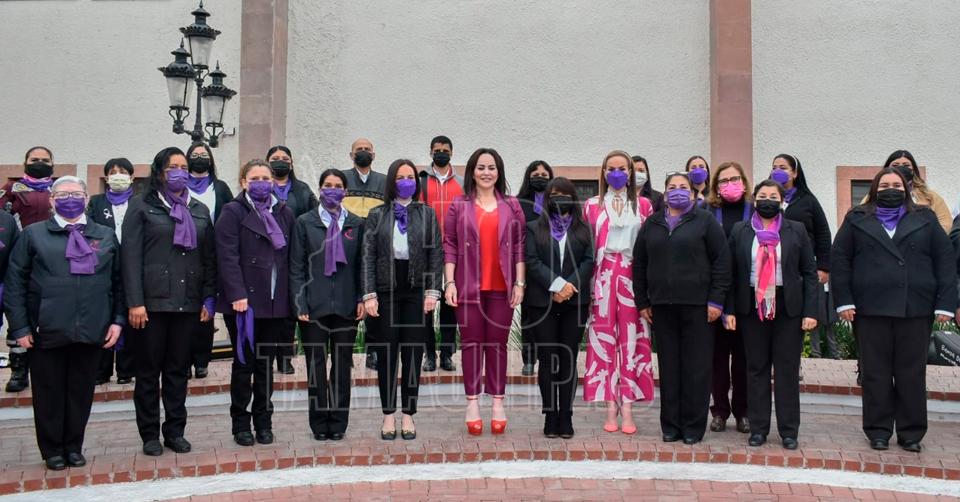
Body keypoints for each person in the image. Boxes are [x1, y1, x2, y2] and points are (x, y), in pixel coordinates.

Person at [831, 167, 956, 453]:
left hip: (915, 307)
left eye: (897, 185)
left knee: (911, 373)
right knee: (875, 372)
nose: (891, 189)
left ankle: (911, 433)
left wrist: (946, 304)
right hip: (869, 308)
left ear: (907, 189)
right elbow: (840, 260)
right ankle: (878, 430)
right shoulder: (856, 218)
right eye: (885, 184)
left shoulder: (925, 218)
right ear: (875, 189)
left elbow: (945, 261)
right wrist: (844, 301)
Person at [5, 176, 123, 470]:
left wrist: (117, 321)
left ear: (86, 198)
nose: (70, 199)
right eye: (63, 195)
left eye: (76, 194)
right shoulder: (33, 235)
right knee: (49, 393)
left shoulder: (105, 235)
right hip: (46, 330)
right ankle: (52, 450)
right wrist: (19, 327)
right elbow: (15, 283)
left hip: (91, 328)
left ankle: (73, 446)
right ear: (52, 200)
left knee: (80, 392)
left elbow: (118, 282)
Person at [122, 147, 217, 456]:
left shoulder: (199, 209)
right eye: (173, 166)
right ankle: (149, 434)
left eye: (184, 167)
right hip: (150, 306)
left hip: (187, 304)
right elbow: (130, 258)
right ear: (160, 171)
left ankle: (175, 431)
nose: (180, 171)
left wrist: (208, 297)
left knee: (178, 371)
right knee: (148, 373)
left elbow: (209, 258)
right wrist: (135, 302)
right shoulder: (141, 206)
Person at [633, 171, 731, 445]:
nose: (677, 191)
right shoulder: (652, 223)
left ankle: (693, 426)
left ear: (692, 192)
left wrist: (716, 300)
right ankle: (671, 425)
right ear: (665, 194)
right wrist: (643, 301)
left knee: (696, 369)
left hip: (698, 307)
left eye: (683, 187)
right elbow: (639, 264)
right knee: (670, 368)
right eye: (672, 187)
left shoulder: (705, 221)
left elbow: (721, 262)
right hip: (662, 307)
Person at [724, 180, 818, 450]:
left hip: (788, 307)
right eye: (763, 195)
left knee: (787, 370)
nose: (768, 200)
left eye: (773, 196)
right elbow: (731, 272)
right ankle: (758, 428)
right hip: (752, 307)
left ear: (782, 200)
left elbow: (809, 272)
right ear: (754, 200)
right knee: (756, 369)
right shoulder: (741, 230)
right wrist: (729, 309)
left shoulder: (796, 229)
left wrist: (811, 311)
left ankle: (789, 430)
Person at [443, 147, 525, 436]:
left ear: (498, 172)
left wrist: (520, 283)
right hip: (468, 286)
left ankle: (498, 403)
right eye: (481, 167)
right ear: (472, 172)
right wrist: (450, 283)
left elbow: (519, 246)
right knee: (471, 344)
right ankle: (473, 404)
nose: (486, 172)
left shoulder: (512, 205)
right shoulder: (459, 204)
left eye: (491, 167)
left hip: (502, 287)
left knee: (497, 345)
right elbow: (450, 244)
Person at [215, 159, 294, 447]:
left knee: (265, 365)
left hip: (274, 301)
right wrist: (237, 293)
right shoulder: (232, 212)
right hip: (244, 303)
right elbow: (227, 256)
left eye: (265, 178)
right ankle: (240, 424)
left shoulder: (283, 212)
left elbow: (290, 256)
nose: (261, 183)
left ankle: (264, 422)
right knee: (244, 365)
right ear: (243, 182)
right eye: (255, 178)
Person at [363, 159, 443, 440]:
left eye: (410, 177)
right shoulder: (377, 214)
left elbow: (435, 253)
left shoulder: (427, 214)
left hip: (416, 290)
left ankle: (408, 414)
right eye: (400, 177)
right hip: (386, 289)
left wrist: (433, 290)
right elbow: (368, 255)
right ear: (391, 181)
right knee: (387, 354)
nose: (406, 181)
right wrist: (369, 294)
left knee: (412, 353)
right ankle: (388, 415)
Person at [290, 168, 365, 441]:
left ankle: (339, 422)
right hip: (314, 306)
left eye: (337, 185)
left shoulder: (356, 223)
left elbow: (361, 265)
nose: (332, 189)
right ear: (320, 189)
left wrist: (361, 297)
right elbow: (296, 266)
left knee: (342, 365)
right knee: (316, 366)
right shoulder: (304, 222)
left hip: (346, 305)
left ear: (345, 191)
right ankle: (319, 422)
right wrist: (300, 302)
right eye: (327, 185)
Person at [583, 151, 654, 434]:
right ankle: (610, 406)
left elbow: (650, 248)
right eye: (610, 168)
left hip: (633, 276)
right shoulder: (591, 205)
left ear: (630, 172)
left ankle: (628, 408)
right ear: (603, 173)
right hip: (601, 276)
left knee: (632, 340)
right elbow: (585, 247)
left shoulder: (645, 205)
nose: (616, 173)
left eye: (622, 168)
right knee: (604, 340)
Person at [524, 177, 594, 439]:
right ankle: (550, 415)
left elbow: (589, 261)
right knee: (547, 359)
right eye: (555, 194)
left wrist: (568, 287)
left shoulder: (584, 228)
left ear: (573, 198)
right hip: (542, 301)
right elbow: (532, 261)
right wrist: (556, 285)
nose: (560, 199)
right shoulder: (533, 228)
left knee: (567, 358)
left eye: (565, 195)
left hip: (574, 302)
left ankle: (566, 415)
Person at [769, 155, 836, 362]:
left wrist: (823, 267)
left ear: (795, 173)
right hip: (770, 267)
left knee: (794, 317)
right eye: (774, 167)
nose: (778, 171)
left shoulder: (808, 200)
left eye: (783, 167)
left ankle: (792, 364)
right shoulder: (767, 198)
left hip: (799, 267)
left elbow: (823, 233)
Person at [2, 146, 55, 393]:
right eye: (35, 159)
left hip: (52, 259)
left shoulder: (58, 189)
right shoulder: (11, 189)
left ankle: (47, 367)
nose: (40, 163)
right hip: (20, 258)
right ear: (25, 162)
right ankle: (19, 369)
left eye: (45, 160)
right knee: (18, 312)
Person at [705, 162, 753, 434]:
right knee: (718, 359)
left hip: (748, 294)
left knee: (744, 358)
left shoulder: (755, 211)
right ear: (716, 186)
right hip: (716, 293)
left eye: (734, 178)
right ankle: (720, 411)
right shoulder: (707, 212)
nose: (729, 184)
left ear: (744, 182)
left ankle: (743, 412)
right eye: (723, 180)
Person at [266, 145, 319, 375]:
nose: (280, 161)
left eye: (285, 158)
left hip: (296, 255)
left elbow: (314, 216)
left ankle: (285, 357)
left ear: (292, 163)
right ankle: (267, 356)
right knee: (270, 309)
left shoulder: (302, 189)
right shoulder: (262, 187)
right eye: (275, 158)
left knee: (290, 310)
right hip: (267, 256)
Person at [186, 142, 234, 379]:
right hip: (184, 251)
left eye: (204, 154)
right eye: (195, 155)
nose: (199, 158)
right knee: (186, 307)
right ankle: (183, 359)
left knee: (207, 304)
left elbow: (230, 217)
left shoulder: (220, 187)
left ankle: (201, 359)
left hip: (212, 252)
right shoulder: (179, 187)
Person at [88, 158, 137, 385]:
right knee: (105, 315)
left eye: (123, 171)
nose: (118, 175)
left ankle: (126, 370)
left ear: (132, 177)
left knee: (131, 315)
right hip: (104, 266)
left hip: (133, 265)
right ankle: (101, 370)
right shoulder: (96, 202)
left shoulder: (140, 202)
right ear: (106, 177)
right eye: (113, 172)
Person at [341, 138, 387, 371]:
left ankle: (373, 352)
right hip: (346, 247)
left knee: (373, 300)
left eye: (367, 149)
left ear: (374, 155)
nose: (363, 152)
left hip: (374, 248)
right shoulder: (341, 178)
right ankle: (345, 353)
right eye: (358, 149)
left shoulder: (384, 181)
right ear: (351, 155)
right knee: (348, 299)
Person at [419, 135, 464, 373]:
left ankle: (447, 354)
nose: (441, 153)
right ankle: (428, 354)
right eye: (437, 150)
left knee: (451, 303)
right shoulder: (421, 181)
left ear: (452, 153)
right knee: (426, 304)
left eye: (445, 150)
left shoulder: (463, 183)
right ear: (430, 152)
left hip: (455, 251)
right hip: (426, 251)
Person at [516, 160, 555, 377]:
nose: (540, 178)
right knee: (529, 315)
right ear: (528, 177)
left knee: (551, 314)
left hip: (552, 266)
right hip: (528, 265)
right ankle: (529, 359)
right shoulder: (519, 203)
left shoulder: (556, 202)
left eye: (544, 174)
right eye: (536, 174)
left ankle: (549, 357)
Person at [882, 150, 952, 233]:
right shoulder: (876, 195)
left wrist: (928, 237)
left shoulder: (930, 196)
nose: (901, 168)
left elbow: (945, 223)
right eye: (895, 165)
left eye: (906, 165)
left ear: (914, 170)